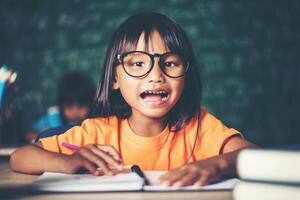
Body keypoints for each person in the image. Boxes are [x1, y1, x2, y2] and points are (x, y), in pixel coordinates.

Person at [10, 12, 255, 186]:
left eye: (170, 63)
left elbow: (253, 156)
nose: (156, 76)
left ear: (185, 75)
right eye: (138, 63)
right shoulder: (97, 132)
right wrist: (69, 162)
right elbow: (20, 157)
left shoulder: (199, 127)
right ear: (114, 79)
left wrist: (216, 165)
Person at [25, 71, 96, 142]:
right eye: (69, 106)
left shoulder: (93, 124)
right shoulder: (53, 119)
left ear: (90, 105)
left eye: (81, 106)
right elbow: (29, 133)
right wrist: (43, 134)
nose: (75, 111)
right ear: (61, 105)